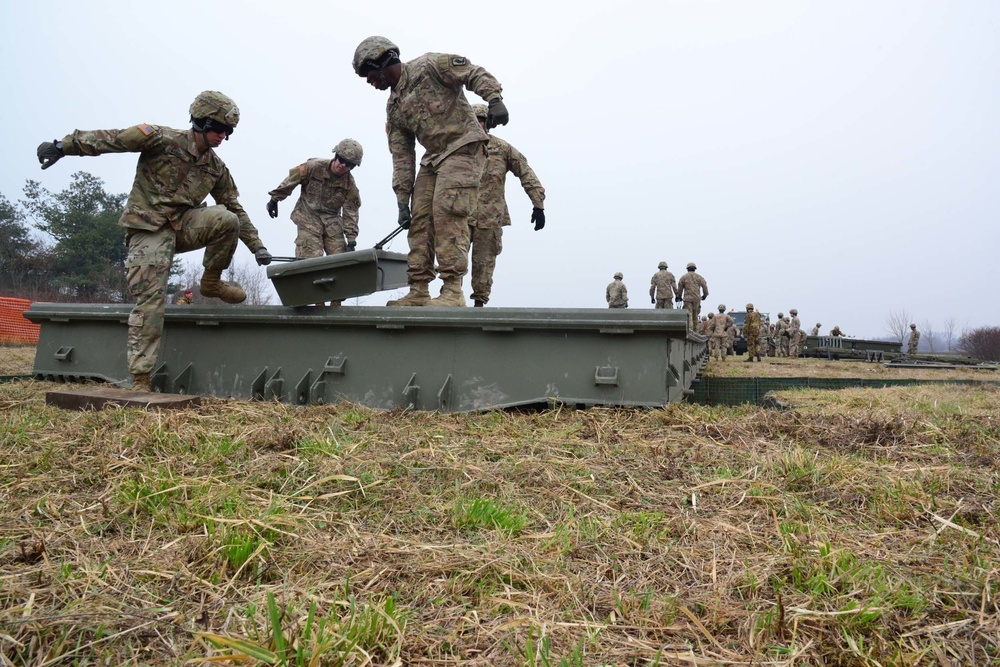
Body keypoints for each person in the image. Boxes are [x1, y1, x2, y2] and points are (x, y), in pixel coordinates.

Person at [36, 91, 268, 391]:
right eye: (219, 129)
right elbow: (111, 140)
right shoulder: (160, 139)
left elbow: (234, 206)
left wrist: (258, 246)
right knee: (151, 300)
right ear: (201, 122)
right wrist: (62, 146)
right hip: (148, 228)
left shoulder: (215, 168)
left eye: (229, 132)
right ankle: (141, 378)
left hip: (183, 225)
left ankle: (211, 282)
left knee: (227, 219)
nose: (223, 136)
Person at [353, 36, 508, 307]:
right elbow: (402, 156)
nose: (369, 82)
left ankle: (452, 291)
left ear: (381, 62)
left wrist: (493, 97)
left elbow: (471, 72)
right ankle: (419, 289)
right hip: (433, 158)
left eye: (369, 74)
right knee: (420, 219)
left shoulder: (429, 66)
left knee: (448, 212)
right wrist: (403, 200)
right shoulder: (394, 107)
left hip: (463, 146)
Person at [467, 104, 545, 307]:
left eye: (482, 119)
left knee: (483, 266)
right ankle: (450, 300)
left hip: (489, 217)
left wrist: (538, 205)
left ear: (489, 122)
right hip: (459, 215)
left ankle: (479, 306)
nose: (479, 123)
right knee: (451, 261)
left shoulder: (502, 149)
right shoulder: (456, 147)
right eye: (475, 118)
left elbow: (525, 172)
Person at [267, 139, 363, 259]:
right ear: (336, 156)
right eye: (342, 160)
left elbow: (351, 212)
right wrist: (275, 199)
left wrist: (351, 239)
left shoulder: (350, 185)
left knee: (341, 260)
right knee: (311, 259)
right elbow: (291, 180)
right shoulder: (313, 166)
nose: (343, 165)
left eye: (349, 164)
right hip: (307, 217)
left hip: (332, 223)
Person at [676, 262, 708, 329]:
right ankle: (695, 330)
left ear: (687, 269)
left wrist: (679, 296)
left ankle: (690, 330)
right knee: (695, 315)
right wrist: (705, 295)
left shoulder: (684, 277)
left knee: (689, 314)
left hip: (687, 299)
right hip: (697, 298)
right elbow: (705, 286)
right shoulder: (699, 277)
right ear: (695, 269)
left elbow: (680, 288)